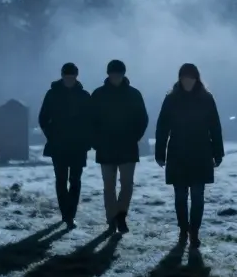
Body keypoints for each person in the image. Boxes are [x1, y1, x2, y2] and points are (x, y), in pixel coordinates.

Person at [154, 63, 225, 248]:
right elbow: (162, 127)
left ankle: (194, 232)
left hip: (200, 153)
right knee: (180, 197)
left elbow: (215, 127)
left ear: (196, 79)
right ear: (180, 79)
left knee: (197, 197)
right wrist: (160, 153)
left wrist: (218, 152)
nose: (188, 82)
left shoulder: (206, 99)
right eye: (185, 78)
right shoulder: (171, 99)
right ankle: (183, 230)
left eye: (190, 78)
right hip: (178, 153)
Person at [90, 59, 149, 234]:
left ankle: (121, 215)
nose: (115, 77)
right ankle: (111, 220)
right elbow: (90, 120)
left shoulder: (133, 94)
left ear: (123, 74)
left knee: (126, 184)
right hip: (107, 146)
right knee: (109, 186)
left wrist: (134, 137)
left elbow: (142, 119)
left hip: (126, 146)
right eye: (113, 74)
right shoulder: (99, 94)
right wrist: (95, 141)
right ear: (109, 74)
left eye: (118, 74)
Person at [37, 62, 93, 227]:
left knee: (75, 180)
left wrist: (87, 138)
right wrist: (51, 135)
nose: (69, 80)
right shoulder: (52, 94)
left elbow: (91, 120)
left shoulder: (84, 95)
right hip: (59, 144)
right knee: (61, 180)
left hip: (78, 144)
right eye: (67, 77)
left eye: (71, 77)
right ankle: (65, 214)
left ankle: (70, 215)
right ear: (62, 76)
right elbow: (43, 118)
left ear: (76, 77)